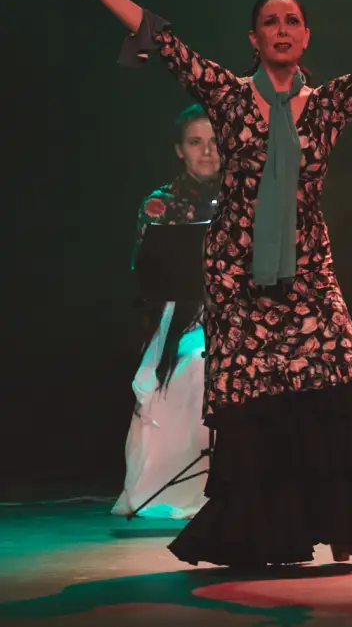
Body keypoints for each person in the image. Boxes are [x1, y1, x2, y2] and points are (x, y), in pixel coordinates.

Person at [63, 0, 352, 568]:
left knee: (332, 389)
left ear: (307, 37)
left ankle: (350, 532)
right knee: (259, 405)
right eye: (270, 22)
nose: (282, 30)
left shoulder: (327, 105)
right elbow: (166, 47)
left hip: (307, 268)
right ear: (253, 39)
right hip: (238, 273)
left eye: (292, 22)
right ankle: (265, 536)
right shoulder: (227, 96)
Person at [112, 104, 220, 519]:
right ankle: (186, 486)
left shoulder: (246, 195)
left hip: (246, 317)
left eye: (214, 142)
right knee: (196, 363)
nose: (207, 152)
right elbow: (150, 280)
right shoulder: (161, 204)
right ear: (180, 150)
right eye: (196, 142)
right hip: (185, 318)